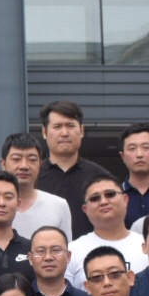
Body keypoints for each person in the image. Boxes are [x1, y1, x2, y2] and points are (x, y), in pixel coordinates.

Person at [34, 101, 112, 239]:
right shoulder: (33, 177)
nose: (64, 133)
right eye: (57, 126)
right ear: (44, 132)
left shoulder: (101, 177)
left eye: (70, 126)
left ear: (81, 131)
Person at [66, 176, 148, 289]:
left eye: (110, 194)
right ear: (85, 209)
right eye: (95, 198)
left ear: (125, 199)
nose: (104, 202)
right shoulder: (71, 252)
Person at [0, 133, 72, 242]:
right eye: (16, 159)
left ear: (40, 165)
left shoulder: (59, 205)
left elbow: (65, 249)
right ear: (3, 164)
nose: (24, 166)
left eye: (32, 159)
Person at [118, 123, 149, 228]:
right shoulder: (115, 196)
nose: (139, 154)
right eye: (132, 148)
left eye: (146, 147)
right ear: (122, 156)